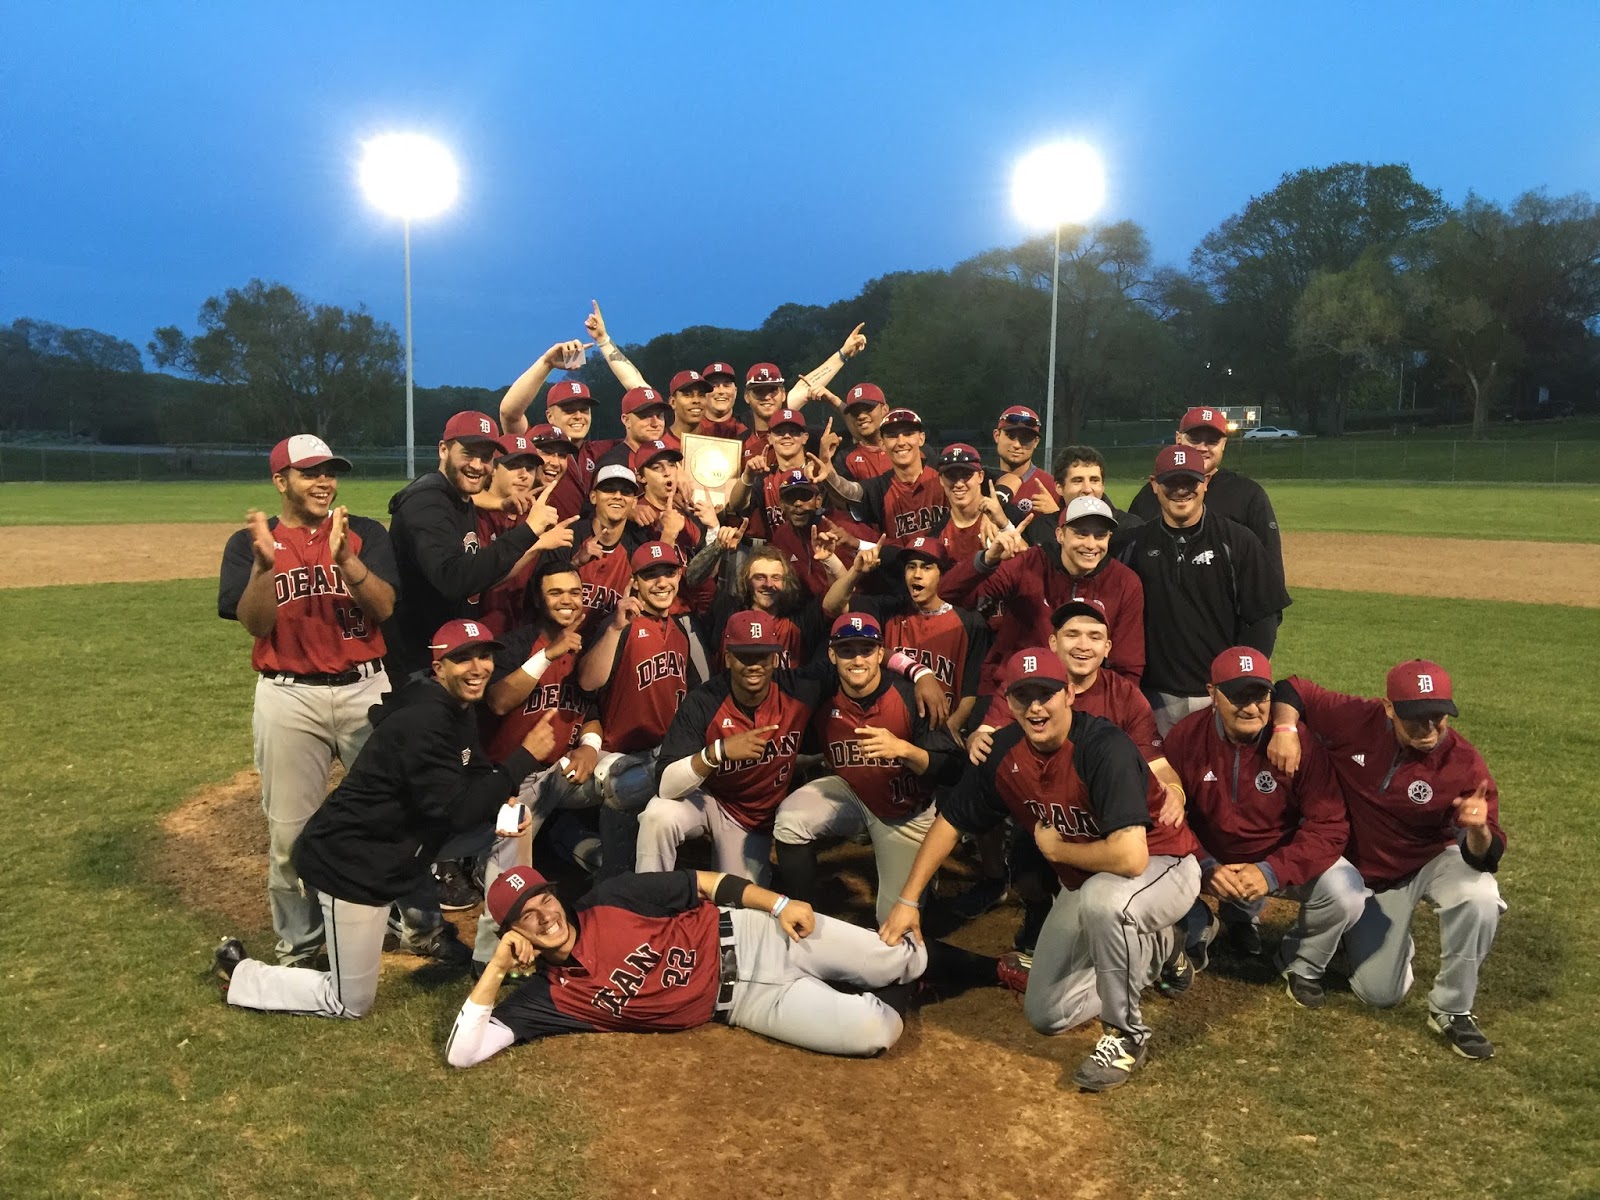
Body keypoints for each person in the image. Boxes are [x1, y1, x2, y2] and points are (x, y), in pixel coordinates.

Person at [881, 649, 1201, 1092]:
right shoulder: (1005, 753)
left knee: (1105, 902)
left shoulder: (1102, 746)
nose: (1035, 707)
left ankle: (1126, 1036)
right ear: (1008, 702)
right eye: (1022, 696)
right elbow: (951, 821)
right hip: (1089, 880)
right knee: (1048, 1013)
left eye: (1046, 694)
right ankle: (1160, 948)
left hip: (1166, 866)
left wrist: (1060, 850)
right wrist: (907, 901)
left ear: (1069, 694)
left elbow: (1131, 858)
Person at [212, 619, 551, 1018]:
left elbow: (473, 772)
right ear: (438, 667)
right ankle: (241, 975)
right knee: (349, 1001)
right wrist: (521, 760)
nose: (478, 667)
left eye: (484, 657)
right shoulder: (424, 720)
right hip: (356, 864)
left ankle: (493, 956)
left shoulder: (456, 708)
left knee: (513, 822)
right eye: (463, 659)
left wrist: (503, 797)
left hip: (405, 844)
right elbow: (457, 812)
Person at [217, 434, 398, 968]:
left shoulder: (363, 532)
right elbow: (253, 623)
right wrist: (265, 567)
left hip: (367, 688)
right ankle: (301, 944)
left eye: (330, 472)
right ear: (281, 481)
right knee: (291, 830)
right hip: (289, 696)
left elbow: (384, 608)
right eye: (310, 473)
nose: (324, 482)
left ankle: (381, 921)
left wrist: (348, 562)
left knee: (383, 816)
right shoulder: (248, 543)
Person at [444, 865, 929, 1062]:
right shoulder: (548, 999)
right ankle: (875, 986)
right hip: (750, 1003)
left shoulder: (610, 898)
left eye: (543, 900)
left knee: (897, 960)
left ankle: (932, 965)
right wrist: (497, 968)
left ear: (555, 894)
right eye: (526, 917)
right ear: (514, 932)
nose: (544, 917)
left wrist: (778, 905)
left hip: (761, 936)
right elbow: (463, 1052)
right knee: (875, 1033)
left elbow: (702, 883)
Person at [1269, 660, 1507, 1059]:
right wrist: (1285, 729)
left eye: (1439, 717)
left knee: (1479, 895)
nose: (1430, 730)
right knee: (1378, 993)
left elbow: (1486, 857)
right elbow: (1291, 688)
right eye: (1417, 719)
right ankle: (1356, 934)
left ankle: (1453, 1010)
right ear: (1389, 707)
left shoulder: (1462, 761)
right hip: (1363, 873)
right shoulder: (1356, 718)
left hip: (1426, 862)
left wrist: (1479, 830)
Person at [966, 598, 1187, 952]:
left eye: (1094, 636)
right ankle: (1039, 912)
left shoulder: (1125, 695)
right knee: (1028, 875)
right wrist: (979, 736)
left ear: (1107, 647)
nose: (1083, 645)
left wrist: (1175, 788)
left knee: (1113, 882)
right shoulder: (1027, 685)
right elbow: (990, 733)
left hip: (1105, 817)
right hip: (1049, 815)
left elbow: (1154, 761)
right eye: (1072, 634)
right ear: (1053, 643)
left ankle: (1155, 936)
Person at [1162, 648, 1367, 1006]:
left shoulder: (1297, 740)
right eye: (1238, 696)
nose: (1250, 707)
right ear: (1212, 693)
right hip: (1207, 861)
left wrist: (1273, 871)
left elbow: (1329, 824)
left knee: (1346, 890)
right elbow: (1166, 819)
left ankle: (1301, 962)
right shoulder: (1185, 738)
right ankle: (1199, 922)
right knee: (1148, 868)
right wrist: (1205, 864)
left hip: (1276, 858)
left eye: (1259, 696)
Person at [773, 612, 961, 926]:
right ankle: (804, 915)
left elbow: (954, 768)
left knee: (893, 926)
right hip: (853, 792)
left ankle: (927, 876)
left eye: (866, 649)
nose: (857, 658)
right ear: (832, 654)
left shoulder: (910, 696)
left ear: (880, 654)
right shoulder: (822, 695)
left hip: (906, 814)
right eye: (847, 650)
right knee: (791, 820)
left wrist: (905, 750)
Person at [1116, 445, 1288, 735]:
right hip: (1152, 697)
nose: (1181, 491)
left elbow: (1263, 617)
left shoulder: (1237, 541)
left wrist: (1240, 682)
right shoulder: (1132, 545)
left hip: (1220, 696)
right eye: (1171, 482)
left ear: (1205, 483)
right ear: (1154, 485)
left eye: (1189, 482)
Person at [638, 611, 815, 882]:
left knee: (738, 907)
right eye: (744, 656)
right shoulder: (704, 701)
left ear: (775, 658)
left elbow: (851, 660)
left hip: (748, 821)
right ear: (728, 657)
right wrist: (718, 752)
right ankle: (646, 906)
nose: (754, 665)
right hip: (705, 799)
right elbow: (666, 786)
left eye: (762, 656)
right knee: (658, 816)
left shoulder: (799, 690)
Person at [574, 541, 711, 876]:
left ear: (680, 575)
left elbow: (697, 697)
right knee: (623, 793)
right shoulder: (620, 624)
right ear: (635, 581)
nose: (662, 582)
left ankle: (590, 855)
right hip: (619, 755)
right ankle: (610, 885)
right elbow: (588, 683)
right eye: (651, 575)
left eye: (668, 572)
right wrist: (616, 627)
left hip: (662, 753)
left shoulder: (681, 629)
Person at [386, 411, 555, 677]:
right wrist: (529, 531)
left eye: (486, 457)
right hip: (420, 662)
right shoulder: (426, 503)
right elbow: (453, 578)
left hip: (449, 654)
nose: (477, 465)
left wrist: (501, 504)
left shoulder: (459, 498)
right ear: (443, 450)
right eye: (468, 453)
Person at [941, 495, 1145, 690]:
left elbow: (1128, 666)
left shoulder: (1124, 582)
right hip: (1015, 689)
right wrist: (987, 559)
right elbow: (950, 593)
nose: (1091, 544)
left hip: (1083, 698)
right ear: (1060, 535)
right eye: (1081, 533)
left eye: (1100, 535)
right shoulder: (1030, 563)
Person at [822, 536, 989, 742]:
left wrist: (950, 728)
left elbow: (970, 692)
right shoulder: (889, 608)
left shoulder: (970, 622)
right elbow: (831, 606)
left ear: (942, 574)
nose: (917, 575)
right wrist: (855, 572)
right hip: (889, 727)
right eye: (911, 567)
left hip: (939, 730)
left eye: (926, 568)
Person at [1126, 407, 1287, 613]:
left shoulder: (1248, 495)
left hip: (1225, 626)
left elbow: (1269, 576)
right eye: (1194, 439)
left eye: (1212, 441)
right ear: (1178, 439)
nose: (1202, 447)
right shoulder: (1151, 494)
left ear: (1224, 445)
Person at [815, 406, 947, 539]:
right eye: (892, 436)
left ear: (921, 438)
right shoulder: (879, 487)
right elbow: (848, 491)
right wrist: (827, 467)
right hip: (900, 559)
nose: (901, 442)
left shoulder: (944, 478)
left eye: (908, 434)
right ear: (882, 444)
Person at [989, 405, 1056, 514]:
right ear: (997, 436)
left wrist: (1055, 515)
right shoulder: (980, 483)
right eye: (1010, 436)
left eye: (1026, 438)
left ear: (1036, 442)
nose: (1017, 444)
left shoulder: (1050, 487)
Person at [832, 383, 892, 482]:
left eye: (868, 409)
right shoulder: (846, 458)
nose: (861, 416)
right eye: (855, 412)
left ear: (884, 409)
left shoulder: (906, 448)